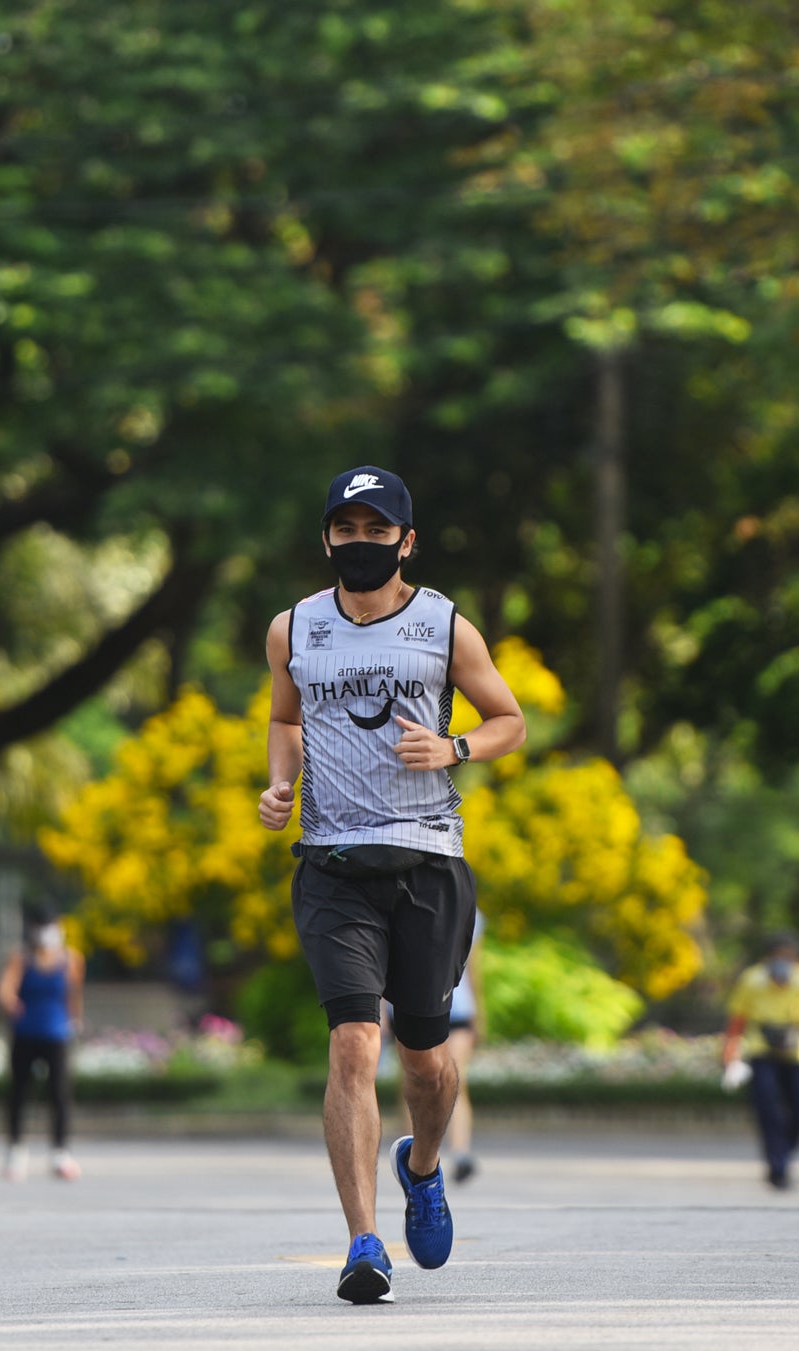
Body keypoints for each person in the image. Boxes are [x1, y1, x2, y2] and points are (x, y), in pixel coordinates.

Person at [257, 465, 527, 1305]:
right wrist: (279, 783)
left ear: (406, 541)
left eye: (378, 531)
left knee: (428, 1062)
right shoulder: (294, 627)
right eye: (347, 529)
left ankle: (423, 1164)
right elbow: (284, 717)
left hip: (428, 864)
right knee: (352, 1042)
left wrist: (454, 748)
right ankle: (363, 1243)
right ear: (326, 537)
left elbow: (510, 720)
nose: (361, 543)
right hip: (333, 864)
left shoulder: (445, 626)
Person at [720, 932, 799, 1189]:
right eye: (779, 956)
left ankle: (784, 1152)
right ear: (767, 958)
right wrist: (730, 1050)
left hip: (797, 1054)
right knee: (768, 1110)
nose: (783, 963)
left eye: (789, 957)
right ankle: (777, 1166)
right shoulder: (752, 980)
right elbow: (738, 1019)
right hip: (762, 1052)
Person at [394, 912, 488, 1184]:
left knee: (456, 1079)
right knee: (413, 1080)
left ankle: (460, 1152)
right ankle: (413, 1151)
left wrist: (478, 1012)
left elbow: (473, 965)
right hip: (410, 1005)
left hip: (457, 1006)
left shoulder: (470, 911)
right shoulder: (399, 897)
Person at [0, 907, 84, 1182]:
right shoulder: (21, 958)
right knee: (19, 1093)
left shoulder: (71, 959)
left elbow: (74, 994)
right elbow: (5, 988)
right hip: (26, 1033)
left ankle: (60, 1152)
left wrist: (75, 1021)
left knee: (59, 1094)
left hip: (56, 1034)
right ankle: (16, 1150)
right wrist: (11, 1003)